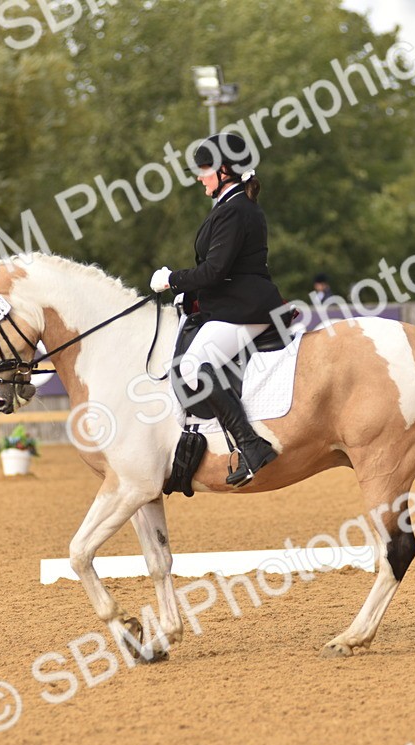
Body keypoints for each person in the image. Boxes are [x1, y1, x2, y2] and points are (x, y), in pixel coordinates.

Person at [149, 132, 283, 487]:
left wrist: (172, 280)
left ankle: (251, 446)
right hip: (235, 303)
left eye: (204, 168)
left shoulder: (236, 210)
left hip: (246, 309)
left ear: (224, 170)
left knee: (192, 367)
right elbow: (225, 273)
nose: (198, 176)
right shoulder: (232, 206)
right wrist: (190, 297)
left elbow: (214, 271)